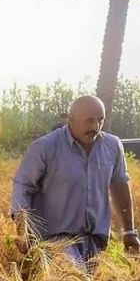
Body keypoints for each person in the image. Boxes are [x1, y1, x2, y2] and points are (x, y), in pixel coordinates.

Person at [12, 95, 139, 267]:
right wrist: (22, 230)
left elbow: (119, 184)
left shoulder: (113, 146)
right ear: (71, 120)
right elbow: (23, 187)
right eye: (89, 121)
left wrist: (129, 231)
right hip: (55, 240)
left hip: (96, 240)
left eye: (100, 120)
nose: (95, 127)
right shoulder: (45, 147)